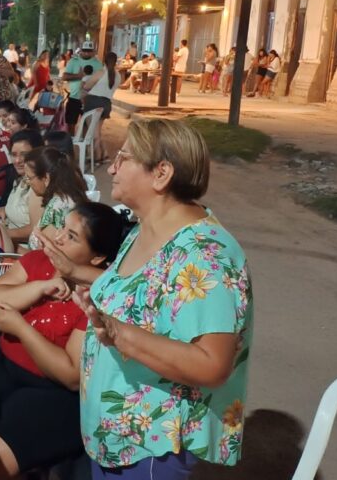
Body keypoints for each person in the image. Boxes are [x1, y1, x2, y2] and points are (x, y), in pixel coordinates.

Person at [66, 118, 253, 479]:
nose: (112, 166)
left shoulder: (204, 254)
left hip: (151, 448)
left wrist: (119, 333)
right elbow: (151, 293)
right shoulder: (145, 228)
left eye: (124, 157)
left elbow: (212, 365)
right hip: (116, 437)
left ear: (161, 173)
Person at [0, 203, 126, 480]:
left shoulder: (96, 299)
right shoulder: (39, 261)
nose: (59, 237)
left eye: (72, 237)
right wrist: (37, 288)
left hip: (54, 392)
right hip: (5, 365)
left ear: (97, 258)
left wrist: (21, 327)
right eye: (63, 228)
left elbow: (70, 375)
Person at [0, 130, 44, 250]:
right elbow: (23, 209)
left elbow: (35, 229)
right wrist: (3, 210)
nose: (18, 160)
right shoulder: (20, 180)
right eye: (14, 154)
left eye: (24, 154)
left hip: (22, 251)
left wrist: (0, 234)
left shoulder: (37, 188)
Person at [25, 147, 87, 250]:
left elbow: (49, 251)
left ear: (46, 178)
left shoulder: (59, 206)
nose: (28, 182)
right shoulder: (65, 198)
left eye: (29, 178)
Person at [82, 51, 119, 165]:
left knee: (93, 133)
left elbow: (87, 86)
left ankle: (97, 157)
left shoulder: (101, 72)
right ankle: (104, 154)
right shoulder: (117, 75)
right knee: (97, 131)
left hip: (93, 102)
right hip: (106, 103)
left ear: (104, 60)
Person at [61, 41, 100, 134]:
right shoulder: (73, 61)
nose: (87, 53)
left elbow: (101, 81)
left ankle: (83, 145)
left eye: (89, 51)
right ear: (81, 50)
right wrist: (79, 76)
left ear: (93, 52)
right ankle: (70, 143)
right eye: (85, 50)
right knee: (70, 123)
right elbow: (64, 77)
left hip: (90, 99)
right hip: (74, 98)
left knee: (87, 125)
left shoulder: (98, 64)